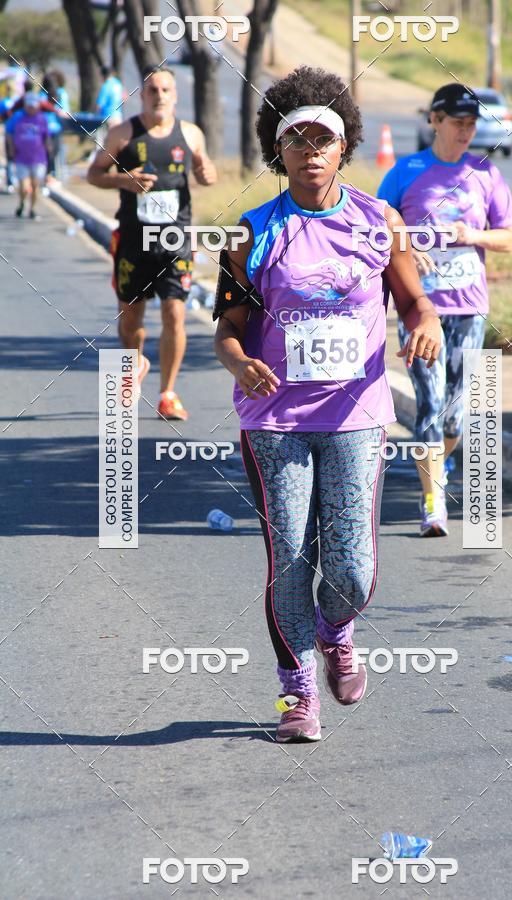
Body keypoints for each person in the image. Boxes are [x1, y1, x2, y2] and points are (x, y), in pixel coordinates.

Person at [213, 66, 441, 743]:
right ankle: (296, 693)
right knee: (289, 559)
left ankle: (335, 630)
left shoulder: (379, 222)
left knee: (351, 568)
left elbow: (414, 299)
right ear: (276, 151)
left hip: (356, 417)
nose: (311, 151)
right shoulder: (251, 233)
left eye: (324, 139)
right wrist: (238, 360)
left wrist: (423, 323)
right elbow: (226, 329)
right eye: (297, 139)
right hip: (275, 421)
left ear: (345, 147)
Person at [377, 83, 512, 537]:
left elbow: (508, 238)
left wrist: (471, 235)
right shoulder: (405, 171)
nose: (466, 131)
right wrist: (406, 248)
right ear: (434, 120)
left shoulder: (486, 174)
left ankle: (437, 464)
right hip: (421, 310)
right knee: (431, 404)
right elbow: (378, 229)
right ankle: (432, 504)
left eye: (472, 124)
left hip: (469, 309)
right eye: (458, 123)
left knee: (456, 412)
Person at [87, 65, 217, 420]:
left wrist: (207, 173)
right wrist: (124, 181)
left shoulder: (190, 134)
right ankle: (136, 363)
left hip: (175, 239)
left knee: (175, 312)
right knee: (131, 323)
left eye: (165, 90)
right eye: (152, 90)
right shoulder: (122, 134)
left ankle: (168, 393)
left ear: (175, 95)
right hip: (133, 238)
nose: (159, 96)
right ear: (142, 95)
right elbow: (93, 174)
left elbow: (207, 173)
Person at [5, 92, 50, 220]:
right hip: (21, 157)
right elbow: (9, 133)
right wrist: (11, 147)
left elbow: (46, 136)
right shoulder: (17, 117)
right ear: (25, 105)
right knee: (25, 187)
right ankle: (22, 202)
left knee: (35, 186)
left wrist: (48, 147)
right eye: (29, 106)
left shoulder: (42, 118)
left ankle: (33, 209)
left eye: (34, 106)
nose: (31, 108)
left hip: (38, 158)